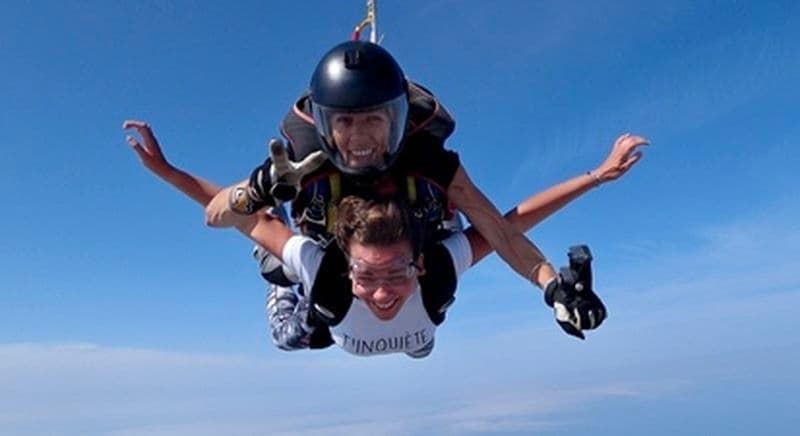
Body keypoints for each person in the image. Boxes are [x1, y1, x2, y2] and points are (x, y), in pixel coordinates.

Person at [123, 120, 647, 355]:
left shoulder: (432, 273)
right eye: (369, 274)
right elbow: (236, 217)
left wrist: (595, 178)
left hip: (393, 318)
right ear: (347, 265)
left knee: (421, 345)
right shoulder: (327, 272)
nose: (381, 294)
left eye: (395, 271)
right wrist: (172, 173)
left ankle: (413, 342)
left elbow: (508, 227)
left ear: (417, 263)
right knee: (290, 323)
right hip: (322, 313)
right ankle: (290, 257)